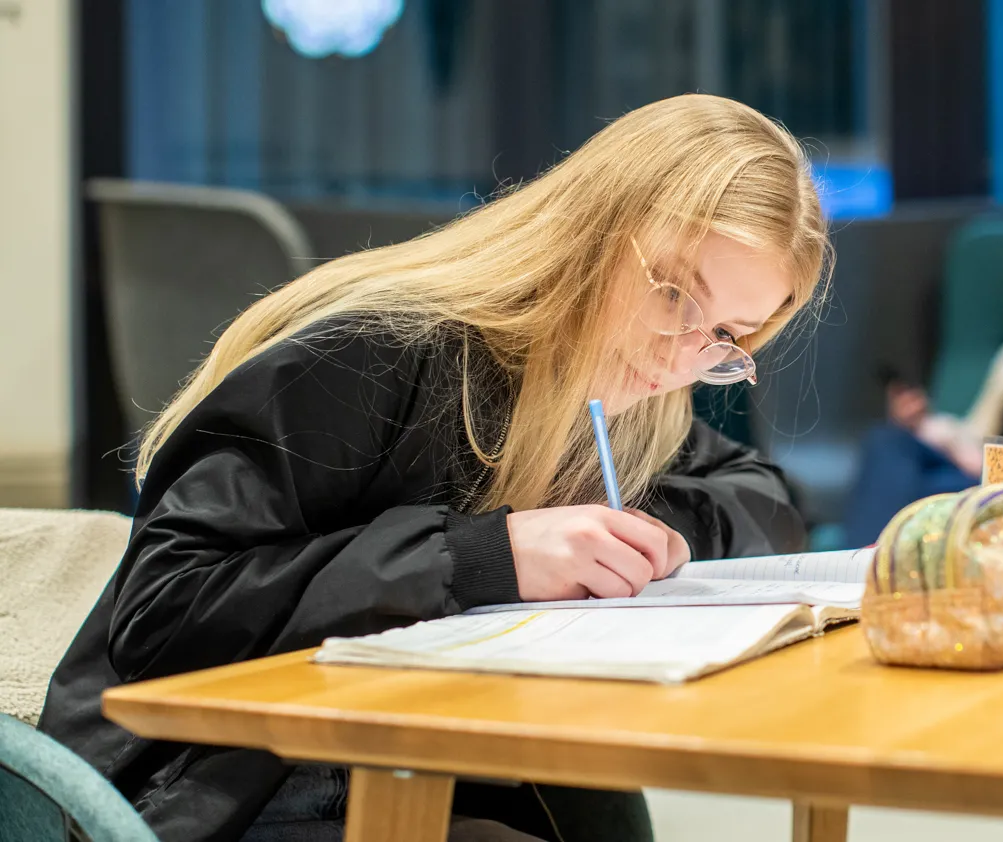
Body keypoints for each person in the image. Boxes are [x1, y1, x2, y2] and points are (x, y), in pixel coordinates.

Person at [40, 94, 829, 842]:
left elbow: (763, 498)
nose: (681, 355)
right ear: (594, 230)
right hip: (201, 788)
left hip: (416, 761)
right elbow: (164, 609)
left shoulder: (625, 392)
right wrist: (483, 555)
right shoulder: (373, 350)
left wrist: (651, 536)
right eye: (673, 297)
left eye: (728, 335)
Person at [842, 236, 1003, 547]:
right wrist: (924, 424)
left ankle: (861, 564)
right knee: (889, 442)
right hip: (980, 470)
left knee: (910, 481)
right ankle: (868, 560)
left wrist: (978, 461)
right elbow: (976, 432)